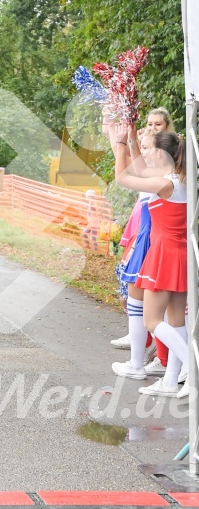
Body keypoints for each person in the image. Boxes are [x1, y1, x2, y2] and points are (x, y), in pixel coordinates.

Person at [110, 126, 188, 398]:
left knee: (153, 321)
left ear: (160, 153)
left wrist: (120, 145)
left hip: (163, 253)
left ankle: (191, 366)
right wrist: (130, 139)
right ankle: (170, 381)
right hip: (181, 253)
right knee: (177, 321)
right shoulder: (180, 179)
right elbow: (140, 169)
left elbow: (122, 176)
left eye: (150, 148)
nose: (146, 154)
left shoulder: (164, 183)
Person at [110, 107, 174, 350]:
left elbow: (127, 172)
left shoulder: (163, 178)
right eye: (149, 123)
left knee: (155, 311)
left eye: (158, 124)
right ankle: (154, 354)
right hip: (150, 233)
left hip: (156, 240)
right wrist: (124, 137)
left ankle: (165, 359)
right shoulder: (163, 174)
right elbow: (132, 163)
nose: (153, 128)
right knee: (154, 308)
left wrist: (125, 142)